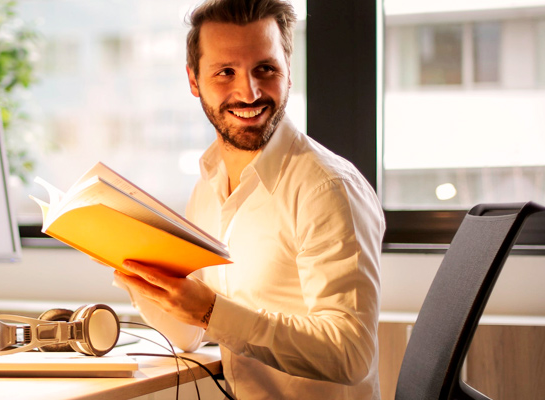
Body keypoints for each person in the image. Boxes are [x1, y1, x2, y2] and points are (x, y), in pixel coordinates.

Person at [112, 0, 385, 398]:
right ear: (194, 80)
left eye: (265, 69)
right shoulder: (207, 186)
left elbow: (351, 354)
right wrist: (140, 276)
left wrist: (211, 311)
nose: (249, 91)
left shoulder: (327, 188)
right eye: (225, 72)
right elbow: (189, 335)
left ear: (288, 72)